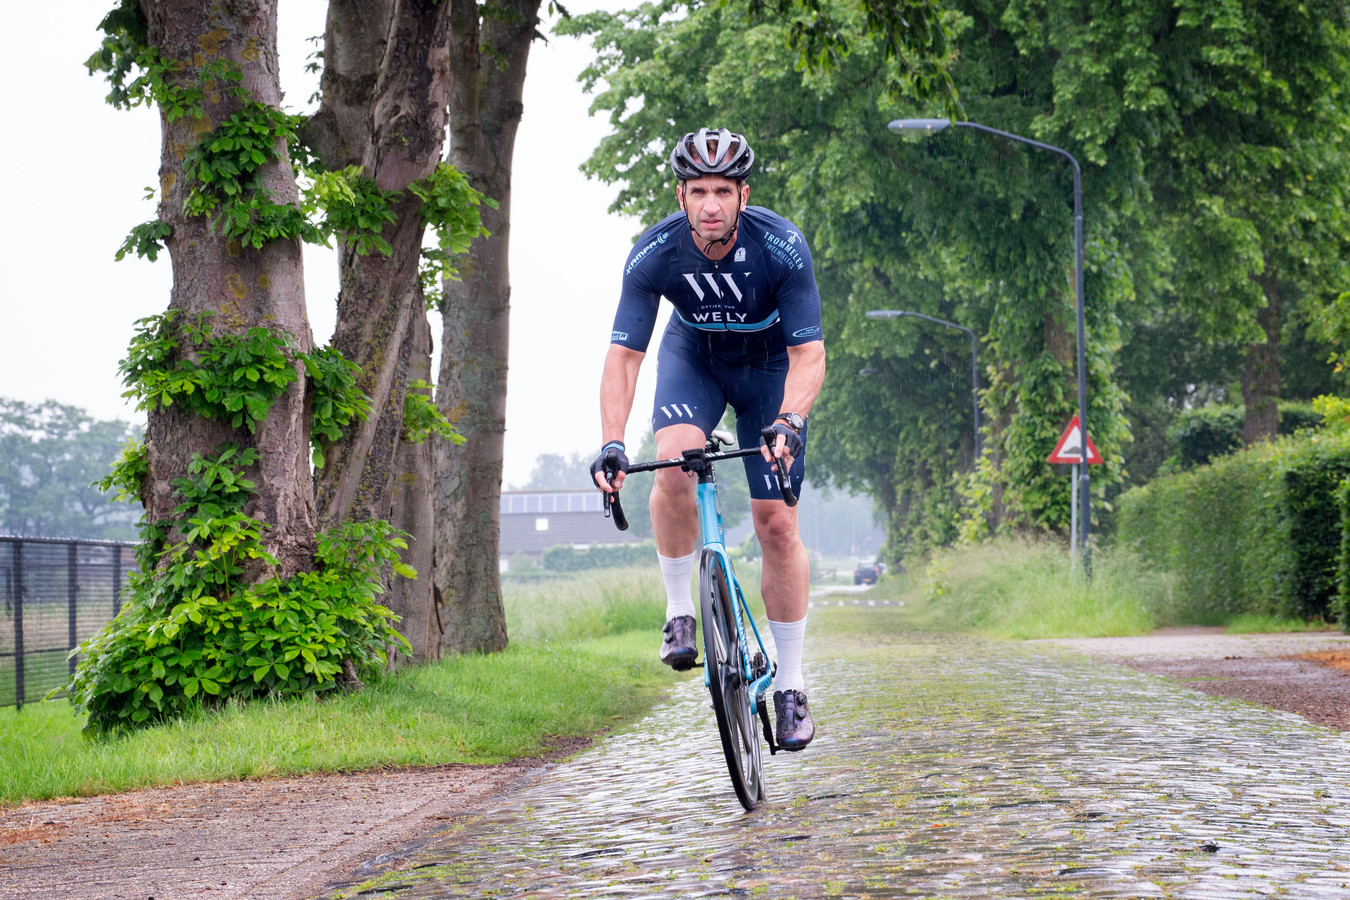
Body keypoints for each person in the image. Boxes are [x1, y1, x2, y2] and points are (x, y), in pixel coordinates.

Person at [589, 128, 826, 750]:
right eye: (699, 191)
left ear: (743, 195)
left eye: (723, 190)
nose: (711, 204)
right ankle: (679, 611)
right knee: (672, 462)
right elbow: (624, 357)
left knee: (777, 523)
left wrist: (791, 420)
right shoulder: (656, 254)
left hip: (770, 372)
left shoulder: (782, 247)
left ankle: (792, 685)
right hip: (695, 359)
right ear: (681, 193)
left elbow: (810, 355)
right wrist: (613, 441)